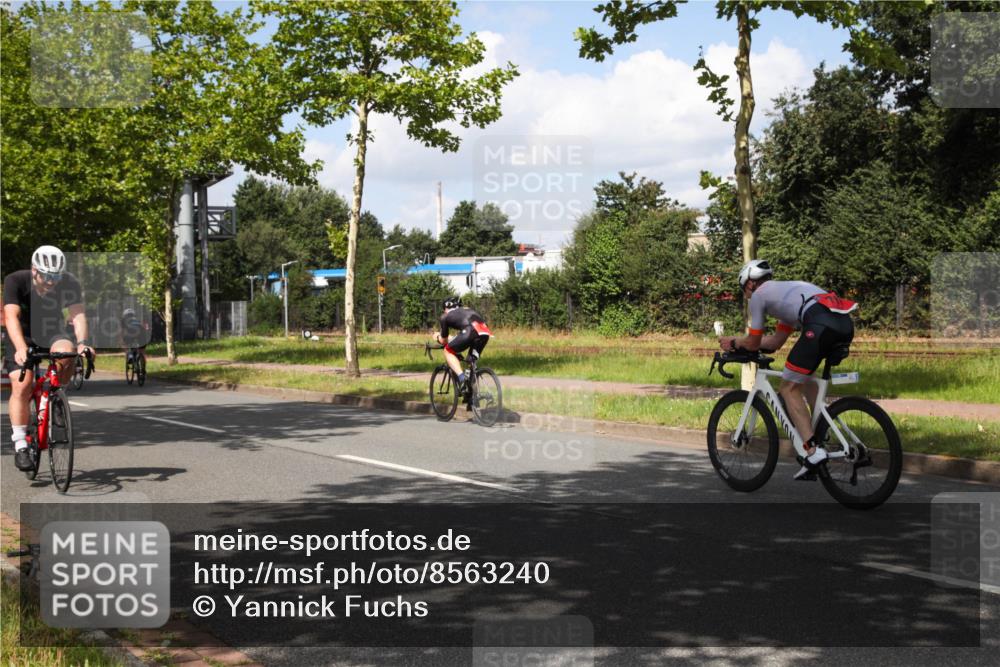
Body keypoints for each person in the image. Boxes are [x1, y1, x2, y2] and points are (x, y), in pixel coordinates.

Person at [718, 259, 857, 480]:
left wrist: (734, 342)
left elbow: (753, 343)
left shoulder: (759, 296)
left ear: (750, 284)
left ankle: (812, 451)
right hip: (842, 324)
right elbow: (774, 343)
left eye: (743, 288)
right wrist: (747, 343)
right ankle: (820, 433)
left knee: (788, 388)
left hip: (819, 323)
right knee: (804, 379)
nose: (745, 294)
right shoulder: (784, 295)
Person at [2, 246, 94, 471]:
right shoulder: (16, 281)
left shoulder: (69, 283)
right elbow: (11, 317)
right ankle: (21, 443)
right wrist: (21, 347)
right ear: (34, 270)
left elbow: (78, 315)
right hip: (21, 335)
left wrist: (83, 343)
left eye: (56, 276)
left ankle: (57, 396)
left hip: (51, 331)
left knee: (68, 351)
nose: (52, 281)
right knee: (22, 384)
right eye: (47, 276)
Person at [435, 296, 491, 395]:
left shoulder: (445, 316)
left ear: (446, 308)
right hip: (484, 332)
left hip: (470, 331)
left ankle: (462, 379)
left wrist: (437, 337)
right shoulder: (466, 310)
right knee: (470, 362)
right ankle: (472, 399)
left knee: (447, 351)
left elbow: (444, 341)